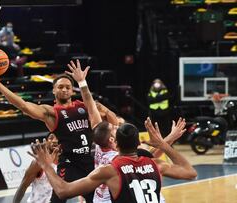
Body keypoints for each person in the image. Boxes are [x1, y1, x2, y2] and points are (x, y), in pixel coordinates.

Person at [29, 61, 197, 202]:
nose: (115, 125)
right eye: (114, 127)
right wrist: (166, 142)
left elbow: (63, 190)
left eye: (116, 128)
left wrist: (45, 164)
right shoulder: (150, 162)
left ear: (114, 141)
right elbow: (177, 165)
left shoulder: (108, 167)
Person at [0, 60, 116, 203]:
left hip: (91, 161)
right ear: (54, 90)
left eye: (67, 87)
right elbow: (24, 106)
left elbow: (110, 119)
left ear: (72, 90)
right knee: (58, 198)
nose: (64, 90)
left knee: (99, 199)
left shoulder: (84, 106)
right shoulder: (51, 112)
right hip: (69, 163)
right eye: (60, 87)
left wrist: (83, 83)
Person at [13, 133, 59, 203]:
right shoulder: (38, 163)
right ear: (46, 142)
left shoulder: (65, 162)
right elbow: (23, 186)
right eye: (51, 138)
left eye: (57, 138)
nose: (54, 140)